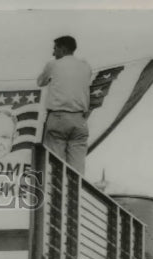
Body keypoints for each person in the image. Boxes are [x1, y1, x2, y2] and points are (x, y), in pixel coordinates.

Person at [37, 35, 92, 174]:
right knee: (77, 170)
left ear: (62, 49)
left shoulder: (53, 64)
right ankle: (75, 194)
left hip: (58, 117)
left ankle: (56, 195)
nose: (53, 53)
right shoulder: (85, 66)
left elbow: (40, 82)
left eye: (55, 49)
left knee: (56, 167)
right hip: (80, 120)